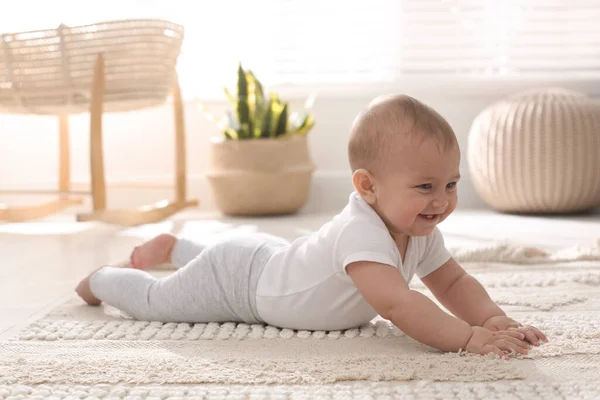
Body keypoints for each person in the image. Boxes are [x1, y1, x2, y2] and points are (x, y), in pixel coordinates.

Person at [76, 94, 547, 359]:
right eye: (425, 186)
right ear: (368, 187)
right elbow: (398, 304)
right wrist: (467, 338)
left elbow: (453, 281)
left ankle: (179, 247)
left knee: (258, 256)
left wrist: (489, 318)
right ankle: (102, 279)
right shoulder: (362, 234)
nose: (442, 201)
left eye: (450, 183)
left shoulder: (419, 230)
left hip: (265, 260)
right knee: (158, 303)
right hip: (239, 286)